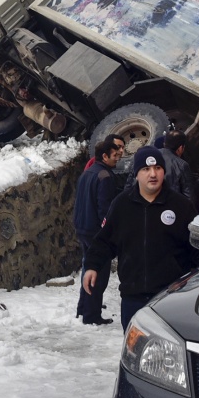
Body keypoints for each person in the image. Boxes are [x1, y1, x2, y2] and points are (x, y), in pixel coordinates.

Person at [82, 147, 199, 329]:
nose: (153, 174)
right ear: (136, 174)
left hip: (169, 298)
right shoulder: (122, 204)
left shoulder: (181, 206)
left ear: (163, 172)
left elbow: (196, 248)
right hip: (133, 297)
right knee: (134, 352)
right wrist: (92, 265)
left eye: (158, 168)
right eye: (146, 169)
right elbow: (105, 240)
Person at [74, 136, 124, 325]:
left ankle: (84, 307)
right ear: (105, 156)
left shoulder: (88, 173)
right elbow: (105, 209)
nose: (118, 157)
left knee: (88, 268)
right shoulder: (105, 176)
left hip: (83, 228)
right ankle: (92, 315)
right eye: (114, 155)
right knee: (98, 274)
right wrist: (109, 233)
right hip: (95, 232)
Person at [160, 131, 195, 202]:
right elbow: (188, 196)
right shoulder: (182, 165)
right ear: (181, 148)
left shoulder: (150, 156)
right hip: (171, 208)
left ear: (164, 144)